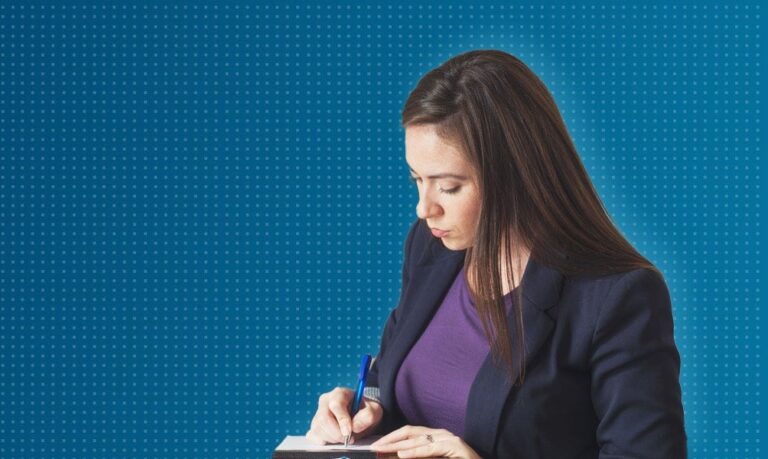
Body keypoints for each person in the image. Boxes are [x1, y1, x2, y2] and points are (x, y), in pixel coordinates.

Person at [305, 49, 687, 458]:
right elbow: (388, 375)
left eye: (448, 186)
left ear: (516, 174)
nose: (424, 207)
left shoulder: (617, 297)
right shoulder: (428, 246)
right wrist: (363, 406)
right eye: (417, 179)